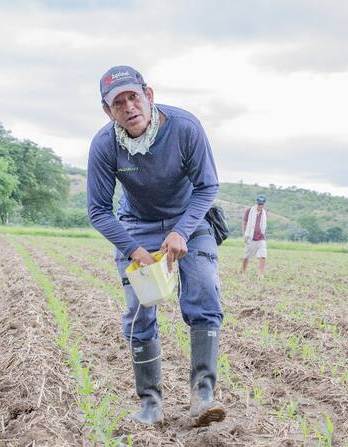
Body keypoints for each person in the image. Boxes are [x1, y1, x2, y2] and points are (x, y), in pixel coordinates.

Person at [87, 66, 225, 427]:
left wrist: (181, 230)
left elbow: (207, 187)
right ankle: (150, 404)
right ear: (108, 111)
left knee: (204, 291)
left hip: (190, 220)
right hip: (138, 225)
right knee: (139, 309)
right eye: (118, 102)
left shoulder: (184, 127)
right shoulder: (105, 145)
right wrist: (133, 249)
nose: (129, 106)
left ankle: (203, 396)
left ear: (148, 94)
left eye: (134, 96)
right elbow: (98, 211)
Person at [242, 195, 268, 276]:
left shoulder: (264, 213)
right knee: (246, 256)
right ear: (256, 203)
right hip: (250, 237)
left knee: (263, 255)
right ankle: (243, 272)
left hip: (261, 237)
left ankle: (261, 275)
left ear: (264, 204)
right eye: (259, 204)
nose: (260, 205)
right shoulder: (249, 211)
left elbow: (263, 225)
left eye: (262, 204)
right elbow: (245, 222)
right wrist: (245, 234)